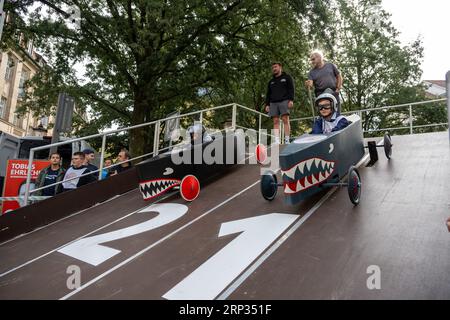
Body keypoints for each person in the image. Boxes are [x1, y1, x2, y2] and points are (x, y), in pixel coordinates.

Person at [264, 62, 295, 144]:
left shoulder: (287, 77)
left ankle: (287, 139)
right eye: (273, 68)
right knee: (275, 121)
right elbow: (268, 94)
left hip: (284, 101)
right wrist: (267, 104)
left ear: (280, 67)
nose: (274, 69)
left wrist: (291, 100)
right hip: (273, 103)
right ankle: (277, 141)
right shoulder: (271, 81)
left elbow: (291, 89)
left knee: (285, 119)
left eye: (275, 67)